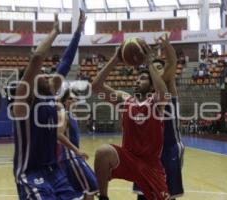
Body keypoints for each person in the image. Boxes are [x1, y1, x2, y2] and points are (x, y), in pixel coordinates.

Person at [11, 11, 85, 200]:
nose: (46, 75)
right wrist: (55, 32)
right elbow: (37, 58)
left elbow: (66, 62)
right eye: (41, 73)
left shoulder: (51, 92)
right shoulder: (24, 98)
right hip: (30, 172)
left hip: (54, 170)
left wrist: (77, 33)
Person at [92, 41, 170, 200]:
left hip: (151, 165)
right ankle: (103, 197)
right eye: (137, 78)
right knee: (102, 153)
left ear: (151, 85)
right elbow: (96, 87)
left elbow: (163, 91)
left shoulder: (156, 103)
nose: (137, 81)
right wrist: (115, 59)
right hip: (128, 158)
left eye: (142, 79)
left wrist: (149, 62)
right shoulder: (125, 100)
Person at [133, 35, 184, 200]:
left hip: (169, 148)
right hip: (148, 151)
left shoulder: (168, 86)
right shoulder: (146, 95)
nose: (154, 71)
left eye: (158, 68)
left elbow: (172, 63)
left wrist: (167, 46)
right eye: (152, 69)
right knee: (143, 193)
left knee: (167, 194)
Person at [58, 89, 98, 200]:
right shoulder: (63, 114)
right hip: (69, 157)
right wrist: (77, 151)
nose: (73, 101)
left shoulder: (72, 115)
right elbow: (58, 134)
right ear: (64, 101)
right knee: (91, 186)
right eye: (70, 98)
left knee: (84, 190)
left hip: (73, 157)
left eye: (75, 99)